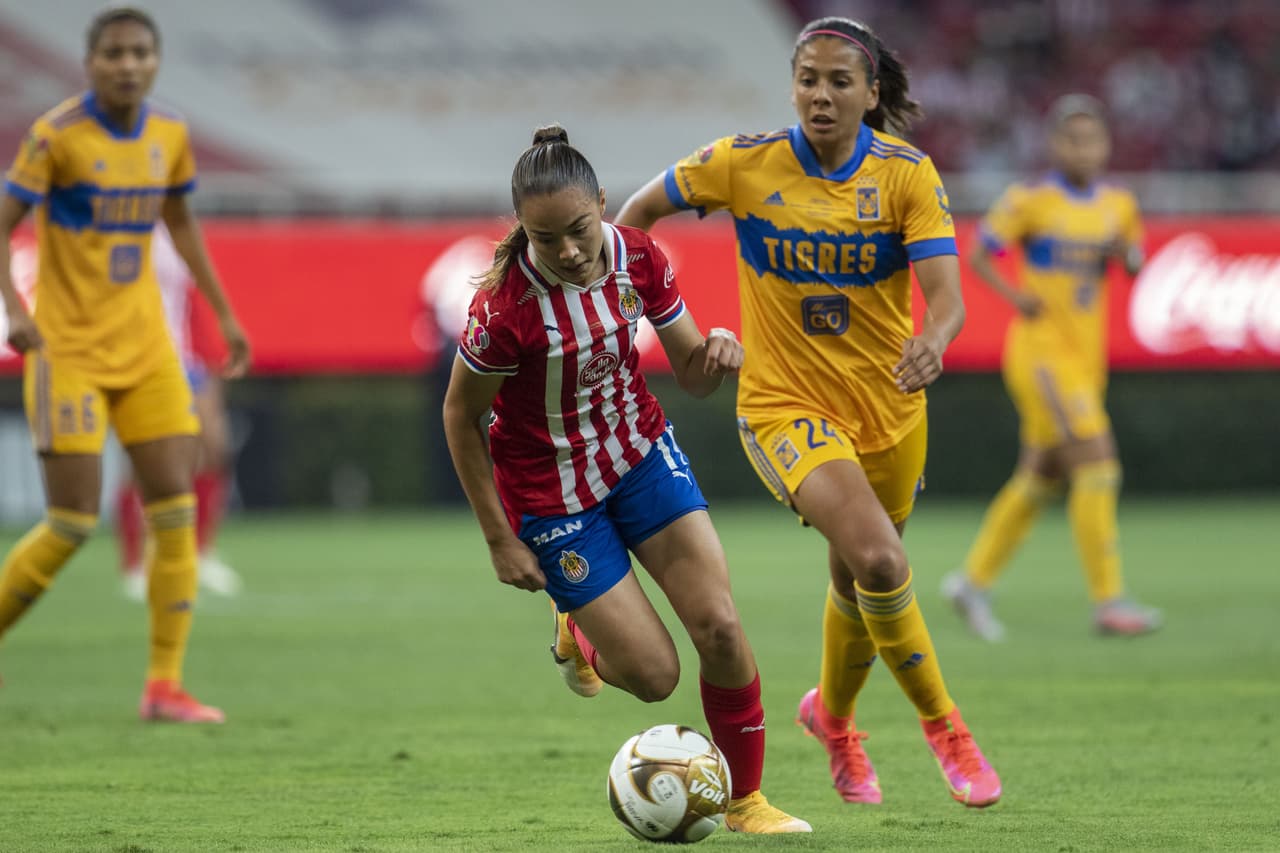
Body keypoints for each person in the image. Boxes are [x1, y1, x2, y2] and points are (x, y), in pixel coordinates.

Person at [616, 17, 1000, 808]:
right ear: (792, 88)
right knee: (882, 561)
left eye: (838, 82)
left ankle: (833, 720)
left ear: (871, 93)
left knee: (856, 577)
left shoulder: (906, 175)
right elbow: (635, 218)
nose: (821, 96)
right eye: (808, 80)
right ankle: (948, 730)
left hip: (890, 409)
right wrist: (651, 317)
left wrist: (933, 342)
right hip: (784, 406)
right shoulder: (742, 162)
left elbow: (948, 300)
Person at [443, 125, 810, 834]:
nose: (568, 251)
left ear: (603, 204)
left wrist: (716, 353)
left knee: (721, 627)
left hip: (638, 456)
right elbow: (461, 416)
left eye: (579, 229)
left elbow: (693, 376)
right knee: (654, 677)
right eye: (545, 239)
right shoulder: (504, 310)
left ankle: (746, 802)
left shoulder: (638, 256)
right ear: (522, 230)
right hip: (552, 497)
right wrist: (498, 539)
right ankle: (577, 629)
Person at [0, 7, 249, 722]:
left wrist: (224, 313)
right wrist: (16, 309)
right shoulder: (55, 136)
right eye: (114, 53)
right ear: (91, 63)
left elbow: (181, 223)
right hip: (68, 353)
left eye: (140, 52)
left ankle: (164, 686)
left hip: (148, 351)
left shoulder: (169, 133)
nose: (128, 64)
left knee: (174, 508)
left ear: (155, 60)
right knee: (71, 521)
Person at [941, 95, 1161, 641]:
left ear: (1106, 146)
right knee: (1099, 464)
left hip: (1086, 359)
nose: (1083, 149)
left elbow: (1135, 263)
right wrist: (1016, 296)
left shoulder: (1118, 204)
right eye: (1072, 139)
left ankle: (972, 583)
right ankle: (1109, 600)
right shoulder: (1031, 200)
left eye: (1092, 139)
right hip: (1042, 355)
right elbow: (980, 252)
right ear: (1055, 144)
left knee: (1040, 477)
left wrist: (1125, 253)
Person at [117, 223, 243, 602]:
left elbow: (191, 297)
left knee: (213, 447)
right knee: (142, 461)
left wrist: (212, 353)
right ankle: (135, 565)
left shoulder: (178, 230)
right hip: (141, 358)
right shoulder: (122, 228)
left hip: (186, 357)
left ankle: (201, 553)